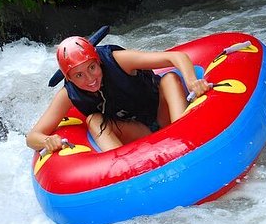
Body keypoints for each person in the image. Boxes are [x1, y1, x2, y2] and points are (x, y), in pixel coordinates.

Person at [26, 36, 211, 153]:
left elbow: (176, 57)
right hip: (138, 133)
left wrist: (191, 80)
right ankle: (122, 167)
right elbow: (32, 136)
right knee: (93, 120)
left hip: (164, 114)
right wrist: (47, 140)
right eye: (79, 75)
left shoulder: (118, 60)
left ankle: (185, 135)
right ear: (69, 78)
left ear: (98, 61)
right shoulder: (68, 94)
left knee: (170, 78)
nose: (90, 78)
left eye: (92, 67)